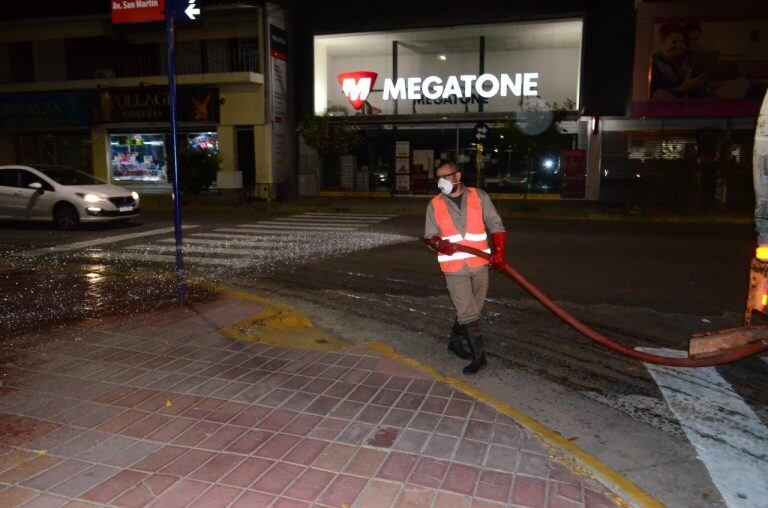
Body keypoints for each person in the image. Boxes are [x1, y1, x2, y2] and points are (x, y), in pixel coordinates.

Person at [424, 161, 506, 374]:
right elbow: (429, 237)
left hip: (479, 264)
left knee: (473, 309)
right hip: (453, 268)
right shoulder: (435, 204)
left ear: (457, 176)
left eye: (446, 176)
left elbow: (496, 224)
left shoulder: (479, 196)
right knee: (468, 312)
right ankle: (480, 358)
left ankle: (455, 343)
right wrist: (439, 244)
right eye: (438, 178)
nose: (441, 182)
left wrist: (499, 252)